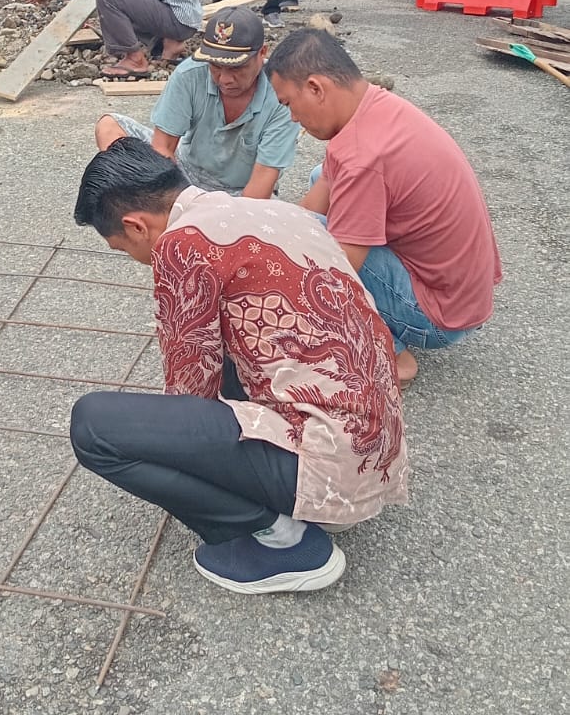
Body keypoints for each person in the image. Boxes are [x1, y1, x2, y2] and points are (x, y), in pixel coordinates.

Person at [70, 139, 407, 595]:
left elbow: (190, 389)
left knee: (93, 427)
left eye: (122, 247)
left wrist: (169, 450)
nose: (133, 258)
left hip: (329, 451)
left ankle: (284, 542)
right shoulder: (273, 211)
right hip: (376, 444)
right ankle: (315, 500)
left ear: (136, 225)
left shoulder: (181, 245)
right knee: (230, 343)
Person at [267, 29, 502, 385]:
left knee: (319, 251)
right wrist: (274, 235)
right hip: (464, 291)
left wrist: (270, 291)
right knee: (319, 182)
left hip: (440, 317)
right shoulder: (372, 106)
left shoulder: (363, 157)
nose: (293, 118)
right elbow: (311, 206)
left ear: (315, 88)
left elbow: (337, 270)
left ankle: (391, 353)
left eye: (288, 104)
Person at [95, 5, 298, 197]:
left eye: (236, 68)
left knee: (268, 217)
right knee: (109, 127)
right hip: (185, 173)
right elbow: (162, 148)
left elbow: (259, 188)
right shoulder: (190, 74)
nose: (225, 79)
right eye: (215, 66)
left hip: (240, 192)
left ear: (262, 52)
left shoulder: (281, 93)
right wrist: (171, 197)